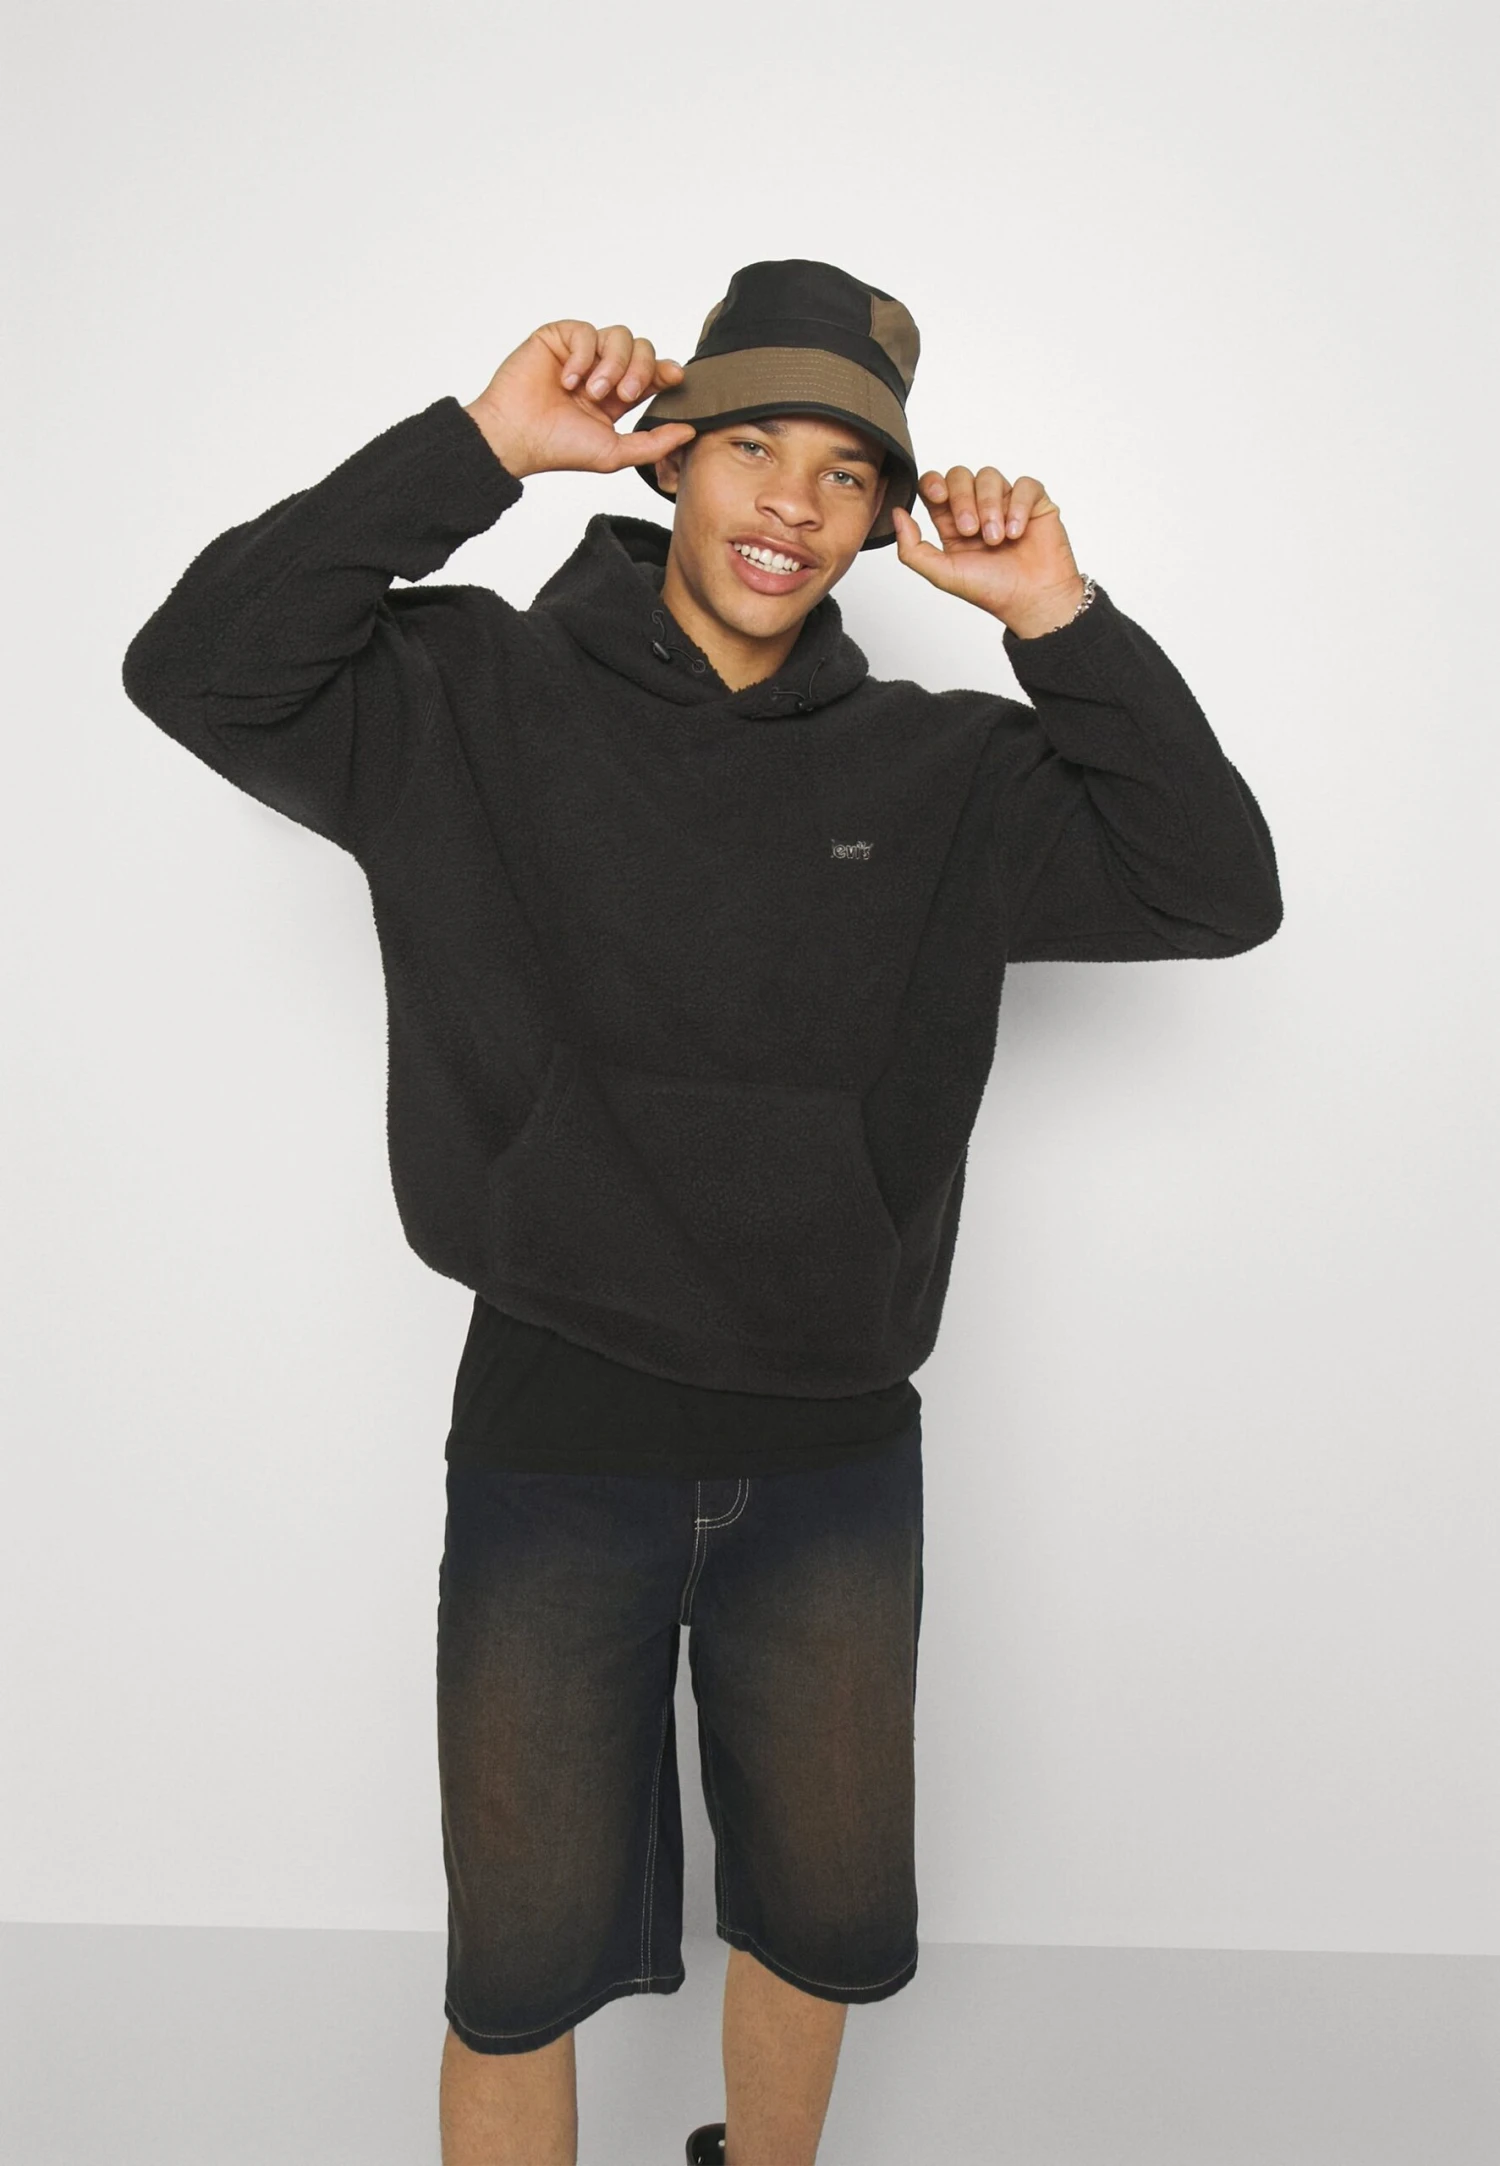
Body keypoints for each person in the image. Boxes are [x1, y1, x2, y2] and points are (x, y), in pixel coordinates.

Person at [121, 258, 1283, 2166]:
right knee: (517, 1959)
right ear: (669, 456)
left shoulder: (944, 776)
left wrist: (1057, 618)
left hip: (831, 1451)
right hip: (554, 1428)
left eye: (846, 473)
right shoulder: (463, 694)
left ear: (882, 518)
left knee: (819, 1921)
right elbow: (197, 667)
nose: (791, 505)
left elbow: (1215, 887)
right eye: (754, 447)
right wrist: (480, 446)